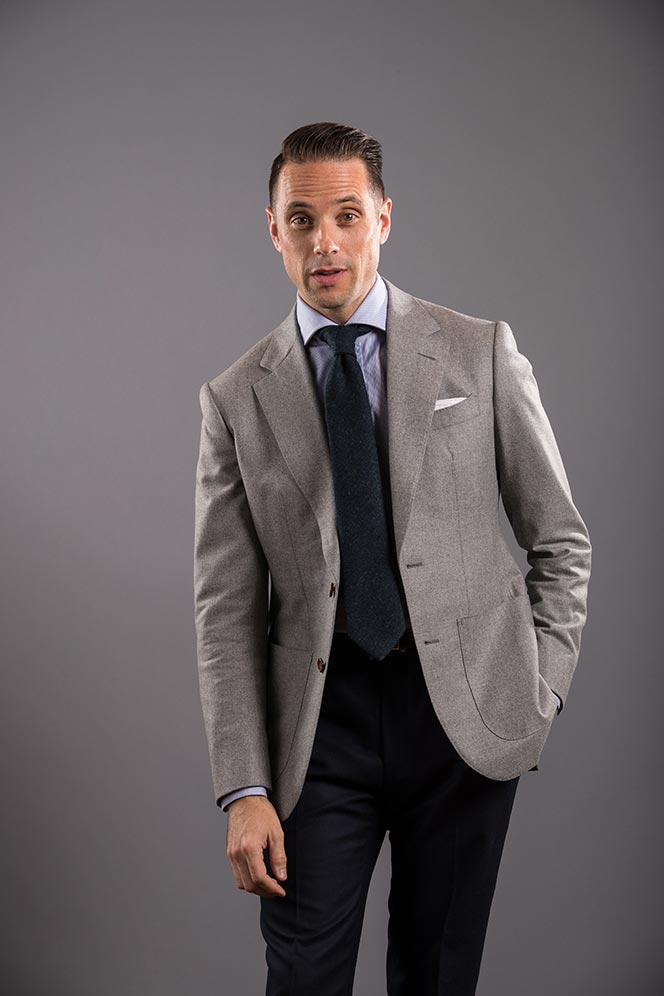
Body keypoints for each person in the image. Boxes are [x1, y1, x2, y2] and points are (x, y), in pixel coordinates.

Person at [193, 121, 592, 995]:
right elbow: (225, 612)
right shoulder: (235, 399)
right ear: (273, 229)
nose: (324, 242)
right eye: (302, 220)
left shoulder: (478, 350)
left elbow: (560, 541)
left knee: (437, 977)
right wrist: (243, 788)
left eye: (346, 215)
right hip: (316, 733)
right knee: (304, 978)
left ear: (383, 218)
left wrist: (540, 690)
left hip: (461, 723)